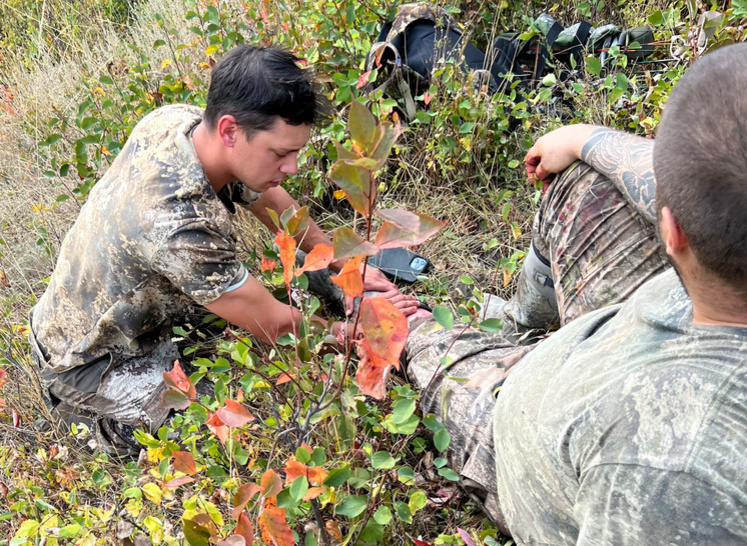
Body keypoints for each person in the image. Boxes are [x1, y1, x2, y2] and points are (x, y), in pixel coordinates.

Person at [405, 42, 747, 543]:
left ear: (671, 232)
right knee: (587, 180)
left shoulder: (673, 477)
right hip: (639, 331)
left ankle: (411, 327)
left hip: (523, 432)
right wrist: (579, 137)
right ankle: (525, 319)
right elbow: (693, 173)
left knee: (415, 333)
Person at [29, 45, 419, 454]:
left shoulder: (179, 123)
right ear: (231, 130)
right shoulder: (180, 227)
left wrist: (343, 265)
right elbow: (277, 325)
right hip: (87, 361)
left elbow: (272, 203)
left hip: (124, 311)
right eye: (282, 153)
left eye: (297, 151)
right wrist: (353, 334)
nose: (293, 167)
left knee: (246, 329)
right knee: (224, 417)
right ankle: (100, 429)